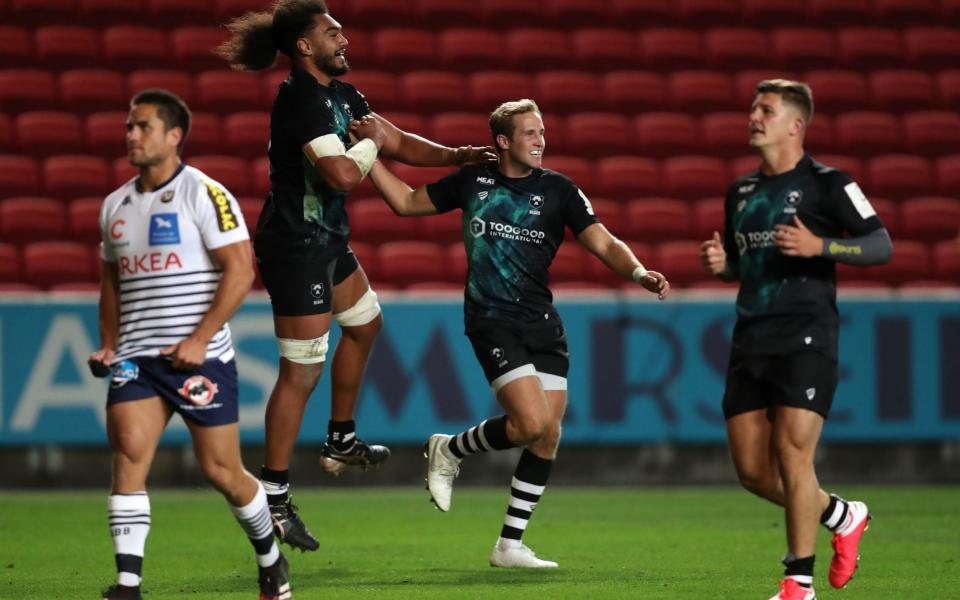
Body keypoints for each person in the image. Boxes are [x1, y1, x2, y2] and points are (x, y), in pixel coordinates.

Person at [216, 0, 496, 552]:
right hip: (296, 246)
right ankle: (273, 499)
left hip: (326, 241)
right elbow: (344, 172)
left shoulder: (342, 95)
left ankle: (340, 439)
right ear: (304, 46)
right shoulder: (302, 99)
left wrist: (461, 155)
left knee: (366, 323)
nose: (344, 39)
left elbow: (398, 139)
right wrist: (371, 141)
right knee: (301, 372)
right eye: (332, 32)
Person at [364, 99, 669, 568]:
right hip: (491, 319)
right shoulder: (474, 181)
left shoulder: (560, 190)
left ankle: (509, 545)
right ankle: (449, 449)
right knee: (530, 424)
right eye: (530, 133)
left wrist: (638, 272)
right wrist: (369, 158)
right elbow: (406, 203)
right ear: (503, 141)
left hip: (541, 321)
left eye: (542, 132)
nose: (541, 140)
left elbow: (603, 239)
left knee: (547, 435)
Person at [90, 89, 290, 600]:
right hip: (138, 357)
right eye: (129, 126)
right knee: (130, 453)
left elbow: (240, 270)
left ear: (174, 136)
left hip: (201, 359)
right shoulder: (115, 204)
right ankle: (128, 585)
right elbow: (111, 282)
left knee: (221, 471)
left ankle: (271, 559)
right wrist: (110, 345)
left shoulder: (205, 194)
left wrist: (200, 339)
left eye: (143, 126)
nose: (131, 135)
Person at [699, 79, 892, 600]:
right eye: (753, 108)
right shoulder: (740, 192)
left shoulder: (830, 185)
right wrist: (723, 268)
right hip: (750, 339)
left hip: (806, 336)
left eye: (765, 109)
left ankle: (797, 583)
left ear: (795, 124)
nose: (753, 116)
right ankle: (842, 514)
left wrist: (821, 245)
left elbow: (880, 245)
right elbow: (743, 264)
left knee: (791, 454)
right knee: (753, 473)